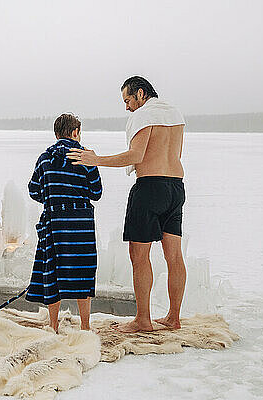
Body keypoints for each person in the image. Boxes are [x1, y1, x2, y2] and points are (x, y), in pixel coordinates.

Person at [67, 76, 186, 333]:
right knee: (174, 256)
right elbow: (176, 154)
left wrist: (95, 160)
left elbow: (136, 155)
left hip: (150, 188)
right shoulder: (175, 113)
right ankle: (173, 318)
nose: (127, 107)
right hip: (176, 187)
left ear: (141, 94)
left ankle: (143, 319)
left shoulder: (144, 115)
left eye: (128, 100)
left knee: (139, 255)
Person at [26, 113, 103, 333]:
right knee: (84, 273)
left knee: (53, 273)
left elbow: (33, 190)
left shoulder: (44, 158)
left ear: (57, 133)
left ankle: (53, 325)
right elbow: (96, 192)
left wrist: (51, 196)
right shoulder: (86, 158)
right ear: (75, 132)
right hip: (81, 226)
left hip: (54, 224)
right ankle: (86, 326)